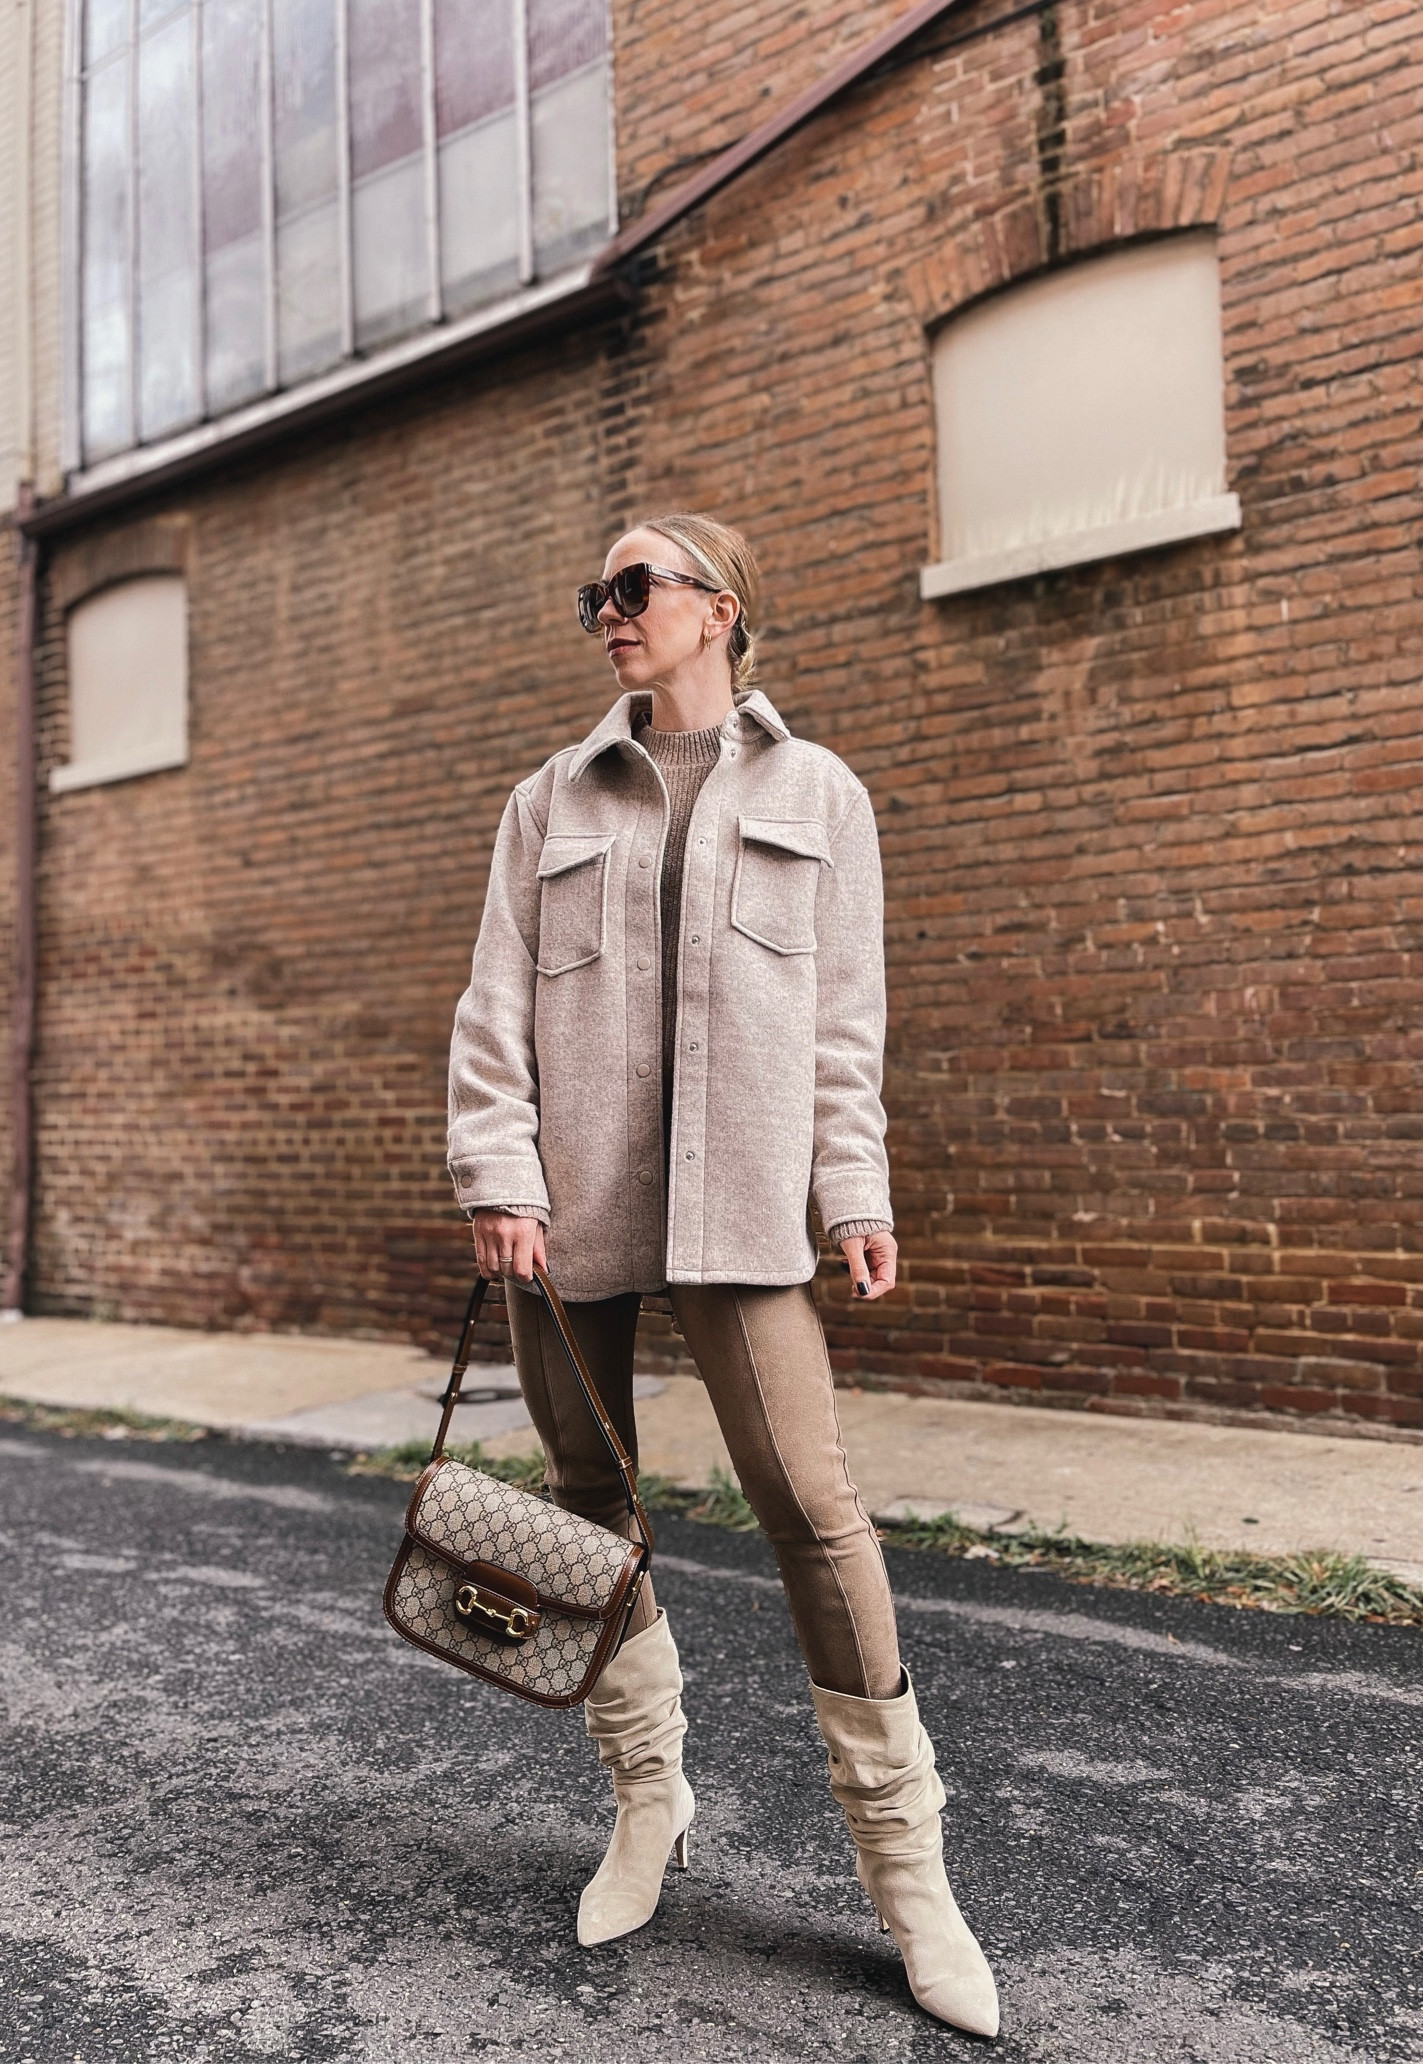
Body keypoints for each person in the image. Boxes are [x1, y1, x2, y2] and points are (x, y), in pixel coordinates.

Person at [446, 513, 998, 2036]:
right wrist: (496, 1172)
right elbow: (492, 1009)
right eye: (596, 594)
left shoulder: (819, 792)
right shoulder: (544, 800)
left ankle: (911, 1879)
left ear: (720, 609)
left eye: (637, 588)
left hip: (748, 1209)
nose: (609, 612)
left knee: (815, 1513)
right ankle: (647, 1801)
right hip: (571, 1212)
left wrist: (854, 1188)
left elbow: (843, 1025)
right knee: (585, 1505)